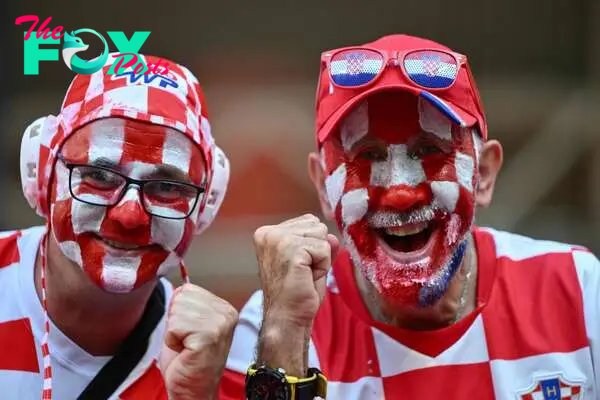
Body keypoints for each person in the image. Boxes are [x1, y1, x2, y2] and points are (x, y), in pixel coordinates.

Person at [219, 34, 600, 399]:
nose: (401, 192)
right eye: (368, 155)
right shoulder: (277, 322)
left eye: (428, 150)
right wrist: (284, 339)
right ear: (323, 185)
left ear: (483, 174)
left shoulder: (577, 290)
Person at [1, 54, 238, 400]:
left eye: (167, 187)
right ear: (43, 176)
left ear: (205, 207)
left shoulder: (215, 360)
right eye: (98, 176)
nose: (130, 217)